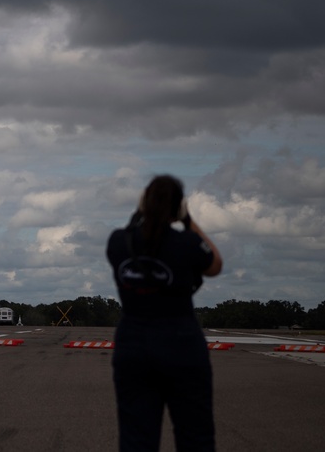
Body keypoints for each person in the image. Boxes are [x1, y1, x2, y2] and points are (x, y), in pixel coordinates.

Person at [106, 175, 223, 452]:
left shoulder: (118, 242)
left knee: (136, 438)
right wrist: (187, 220)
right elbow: (215, 265)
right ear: (177, 207)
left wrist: (140, 213)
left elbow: (134, 233)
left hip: (133, 343)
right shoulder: (187, 243)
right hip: (181, 342)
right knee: (195, 436)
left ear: (144, 201)